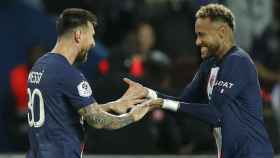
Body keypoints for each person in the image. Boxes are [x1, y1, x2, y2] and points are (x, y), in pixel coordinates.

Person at [129, 4, 274, 158]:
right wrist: (148, 93)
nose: (197, 42)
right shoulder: (208, 66)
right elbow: (182, 104)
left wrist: (162, 103)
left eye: (202, 35)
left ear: (222, 32)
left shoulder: (238, 61)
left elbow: (216, 113)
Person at [26, 8, 151, 158]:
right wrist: (132, 116)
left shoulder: (40, 65)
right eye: (91, 36)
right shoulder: (68, 73)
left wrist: (113, 105)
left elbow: (63, 112)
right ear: (78, 35)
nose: (92, 43)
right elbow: (97, 120)